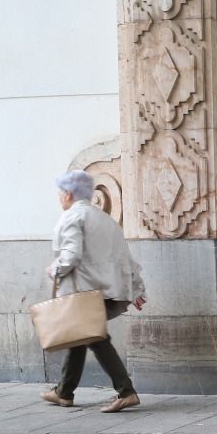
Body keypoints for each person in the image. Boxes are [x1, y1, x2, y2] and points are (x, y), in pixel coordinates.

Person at [40, 170, 146, 413]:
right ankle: (64, 392)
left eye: (60, 193)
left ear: (68, 194)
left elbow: (71, 255)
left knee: (95, 337)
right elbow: (124, 257)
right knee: (83, 335)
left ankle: (126, 391)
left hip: (83, 290)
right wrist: (138, 288)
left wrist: (54, 268)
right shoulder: (105, 219)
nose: (59, 198)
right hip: (103, 289)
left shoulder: (71, 218)